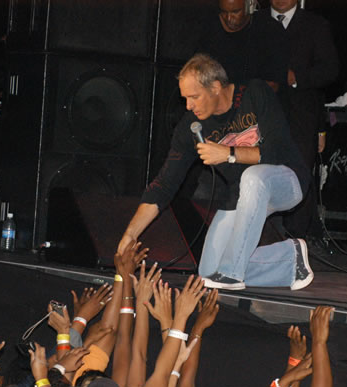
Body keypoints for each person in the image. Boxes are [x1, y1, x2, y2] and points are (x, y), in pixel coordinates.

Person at [117, 54, 313, 291]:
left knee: (253, 177)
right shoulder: (190, 127)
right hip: (242, 195)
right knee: (208, 272)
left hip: (286, 180)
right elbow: (164, 185)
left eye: (194, 97)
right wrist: (131, 234)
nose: (188, 106)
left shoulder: (255, 93)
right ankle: (290, 260)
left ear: (216, 87)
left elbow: (277, 151)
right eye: (185, 98)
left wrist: (229, 153)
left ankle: (232, 273)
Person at [266, 0, 339, 239]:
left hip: (301, 117)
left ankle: (295, 241)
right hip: (261, 113)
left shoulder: (315, 25)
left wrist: (297, 77)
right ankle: (264, 235)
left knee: (298, 175)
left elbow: (330, 70)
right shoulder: (256, 22)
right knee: (261, 172)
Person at [198, 0, 289, 92]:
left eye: (235, 12)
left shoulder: (269, 29)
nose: (228, 18)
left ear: (250, 6)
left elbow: (273, 85)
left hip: (256, 98)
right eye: (224, 12)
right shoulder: (208, 29)